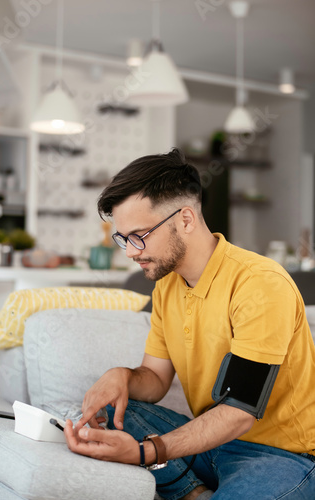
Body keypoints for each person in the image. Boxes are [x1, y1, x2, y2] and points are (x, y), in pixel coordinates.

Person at [64, 148, 315, 500]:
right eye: (122, 239)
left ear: (185, 220)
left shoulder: (259, 283)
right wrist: (121, 375)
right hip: (213, 445)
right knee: (111, 411)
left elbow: (239, 413)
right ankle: (195, 493)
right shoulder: (167, 283)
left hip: (281, 455)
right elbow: (154, 382)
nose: (131, 252)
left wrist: (145, 453)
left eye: (139, 235)